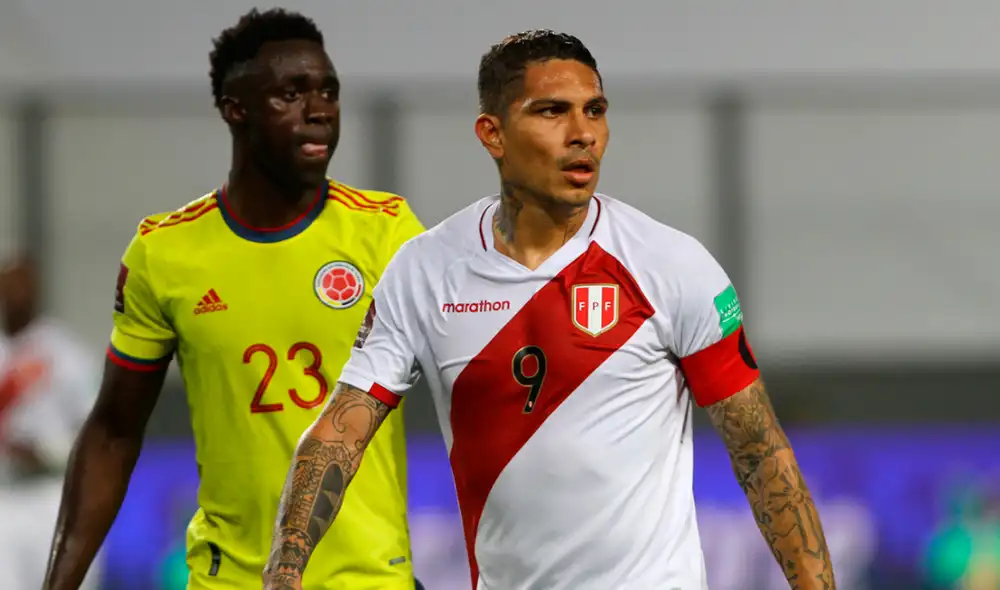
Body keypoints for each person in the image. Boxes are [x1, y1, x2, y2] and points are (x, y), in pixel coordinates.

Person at [265, 28, 839, 590]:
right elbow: (341, 431)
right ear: (492, 134)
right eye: (551, 112)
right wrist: (284, 572)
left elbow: (760, 453)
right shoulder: (425, 270)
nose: (583, 133)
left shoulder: (670, 265)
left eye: (595, 111)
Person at [42, 8, 425, 590]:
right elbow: (113, 431)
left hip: (368, 579)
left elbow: (469, 383)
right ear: (235, 109)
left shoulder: (387, 232)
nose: (320, 110)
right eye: (291, 94)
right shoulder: (164, 253)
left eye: (328, 92)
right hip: (230, 579)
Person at [0, 256, 100, 590]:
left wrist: (43, 450)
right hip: (6, 497)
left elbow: (94, 432)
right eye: (7, 285)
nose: (14, 294)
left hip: (54, 499)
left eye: (21, 285)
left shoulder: (65, 354)